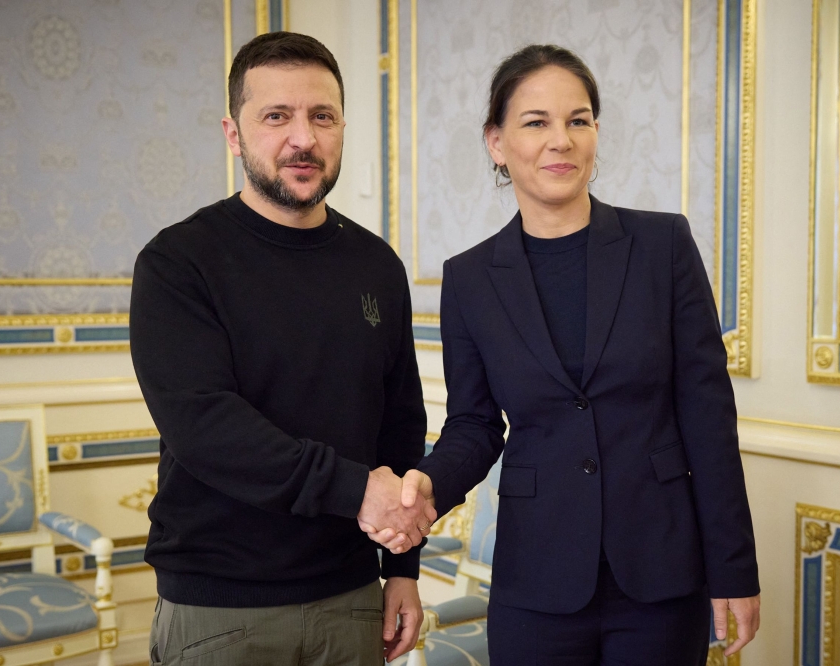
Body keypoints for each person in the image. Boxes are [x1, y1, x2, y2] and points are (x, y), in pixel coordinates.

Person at [371, 45, 761, 665]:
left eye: (578, 120)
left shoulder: (662, 246)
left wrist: (734, 569)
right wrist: (427, 482)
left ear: (596, 133)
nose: (562, 140)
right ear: (497, 142)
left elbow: (708, 418)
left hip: (661, 574)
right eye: (537, 123)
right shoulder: (469, 279)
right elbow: (475, 425)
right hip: (537, 578)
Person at [130, 32, 436, 666]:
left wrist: (401, 567)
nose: (304, 138)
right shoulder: (178, 262)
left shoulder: (377, 265)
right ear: (233, 133)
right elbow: (207, 428)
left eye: (321, 116)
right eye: (277, 116)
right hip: (220, 610)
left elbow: (401, 421)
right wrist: (356, 490)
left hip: (352, 599)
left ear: (342, 127)